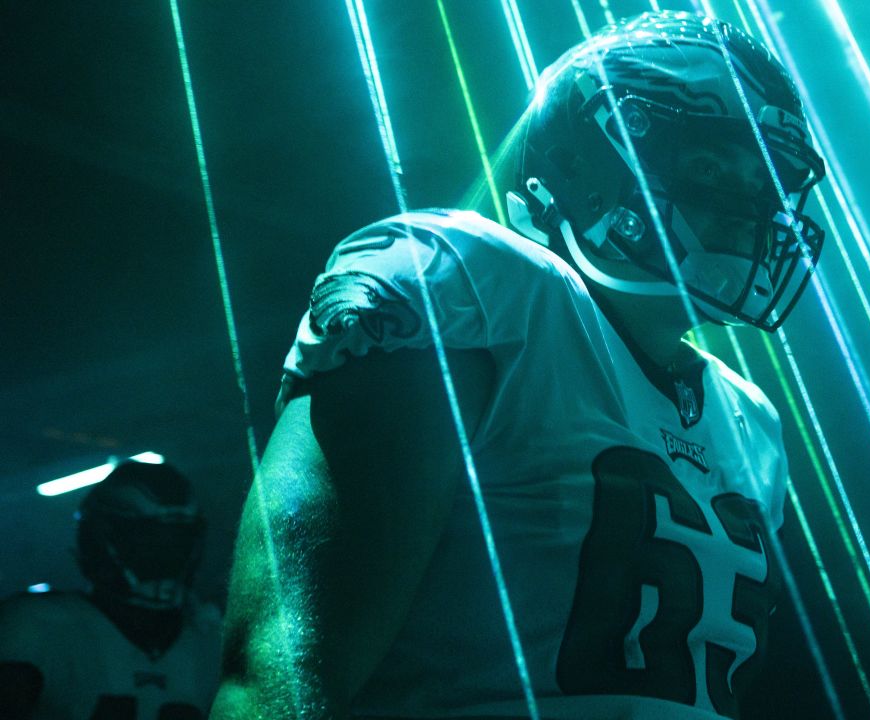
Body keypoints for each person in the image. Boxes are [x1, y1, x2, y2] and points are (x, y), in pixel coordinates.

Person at [212, 10, 826, 720]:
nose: (749, 206)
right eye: (710, 164)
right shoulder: (481, 289)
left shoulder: (751, 424)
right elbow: (279, 673)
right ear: (584, 159)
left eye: (767, 180)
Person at [0, 460, 221, 719]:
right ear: (99, 538)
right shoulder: (36, 627)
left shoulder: (212, 641)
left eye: (177, 542)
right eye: (149, 541)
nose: (166, 558)